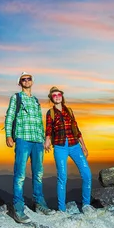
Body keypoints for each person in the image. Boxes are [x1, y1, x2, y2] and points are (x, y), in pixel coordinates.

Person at [5, 72, 56, 223]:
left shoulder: (35, 100)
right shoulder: (16, 97)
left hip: (37, 141)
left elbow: (40, 122)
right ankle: (18, 209)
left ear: (32, 81)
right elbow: (10, 116)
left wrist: (44, 139)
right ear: (20, 83)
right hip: (23, 139)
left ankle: (39, 204)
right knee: (20, 174)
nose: (26, 81)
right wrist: (8, 135)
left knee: (38, 174)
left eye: (29, 78)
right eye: (23, 79)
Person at [43, 85, 93, 213]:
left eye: (59, 94)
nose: (57, 97)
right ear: (51, 98)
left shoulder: (69, 111)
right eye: (54, 95)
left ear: (62, 97)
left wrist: (84, 145)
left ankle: (86, 205)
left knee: (87, 174)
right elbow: (48, 128)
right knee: (62, 177)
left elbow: (76, 129)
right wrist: (47, 139)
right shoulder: (51, 113)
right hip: (60, 147)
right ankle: (62, 209)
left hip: (74, 145)